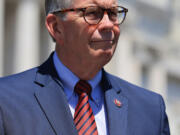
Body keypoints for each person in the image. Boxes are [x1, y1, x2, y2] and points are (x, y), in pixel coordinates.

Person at [0, 0, 170, 134]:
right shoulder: (6, 100)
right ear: (56, 27)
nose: (108, 24)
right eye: (93, 13)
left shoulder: (150, 110)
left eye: (112, 13)